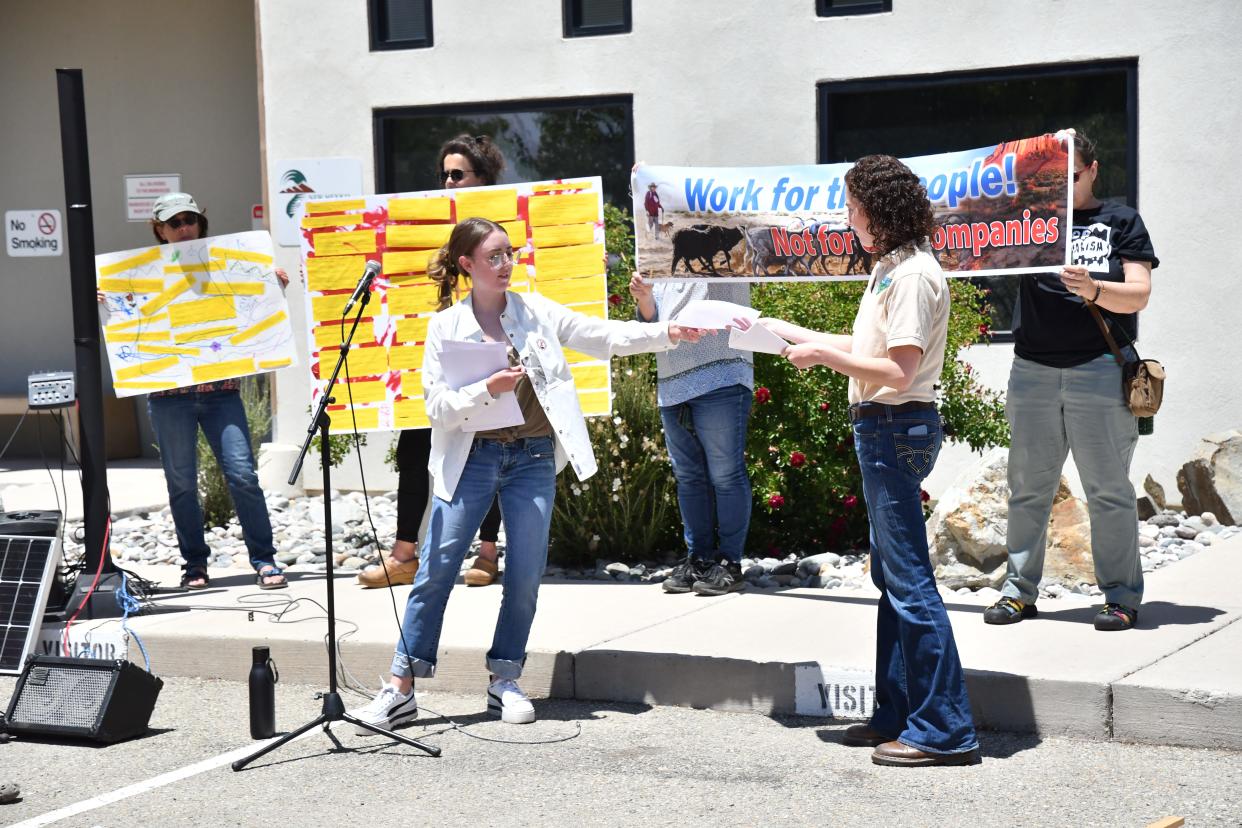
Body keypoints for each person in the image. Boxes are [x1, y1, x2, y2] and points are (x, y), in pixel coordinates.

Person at [351, 218, 705, 728]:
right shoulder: (445, 326)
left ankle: (505, 679)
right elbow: (439, 408)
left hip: (534, 459)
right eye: (492, 257)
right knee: (436, 568)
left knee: (523, 575)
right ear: (466, 265)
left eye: (509, 253)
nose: (505, 264)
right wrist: (486, 389)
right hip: (471, 458)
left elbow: (600, 334)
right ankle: (401, 686)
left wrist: (665, 332)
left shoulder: (534, 312)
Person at [749, 155, 979, 766]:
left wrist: (823, 360)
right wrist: (793, 332)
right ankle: (897, 715)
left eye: (852, 206)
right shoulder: (892, 269)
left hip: (893, 425)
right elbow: (871, 348)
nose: (847, 219)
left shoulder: (910, 278)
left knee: (910, 586)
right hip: (885, 426)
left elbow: (898, 371)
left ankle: (945, 730)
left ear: (878, 209)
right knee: (893, 581)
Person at [984, 130, 1158, 632]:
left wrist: (1095, 287)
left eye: (1073, 176)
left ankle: (1121, 598)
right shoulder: (1029, 220)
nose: (1064, 185)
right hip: (1033, 370)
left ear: (1094, 169)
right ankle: (1018, 591)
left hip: (1098, 370)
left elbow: (1139, 295)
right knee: (1027, 488)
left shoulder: (1120, 220)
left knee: (1107, 490)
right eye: (1053, 177)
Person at [98, 192, 288, 590]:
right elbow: (130, 325)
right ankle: (195, 566)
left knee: (243, 476)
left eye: (189, 220)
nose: (184, 228)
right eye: (174, 223)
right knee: (181, 483)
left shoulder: (224, 263)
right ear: (160, 231)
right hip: (170, 397)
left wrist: (272, 290)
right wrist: (106, 303)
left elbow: (251, 310)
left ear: (201, 222)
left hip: (222, 394)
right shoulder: (142, 275)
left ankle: (265, 560)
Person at [357, 134, 508, 590]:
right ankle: (405, 553)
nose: (446, 182)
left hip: (485, 351)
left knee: (490, 447)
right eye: (443, 174)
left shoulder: (500, 231)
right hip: (434, 357)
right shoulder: (424, 230)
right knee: (413, 450)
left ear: (482, 179)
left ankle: (487, 553)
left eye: (457, 174)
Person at [629, 274, 753, 595]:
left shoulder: (721, 237)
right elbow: (651, 323)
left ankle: (729, 563)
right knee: (688, 477)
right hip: (672, 381)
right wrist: (644, 297)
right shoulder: (660, 261)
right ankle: (698, 559)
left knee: (725, 474)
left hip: (723, 371)